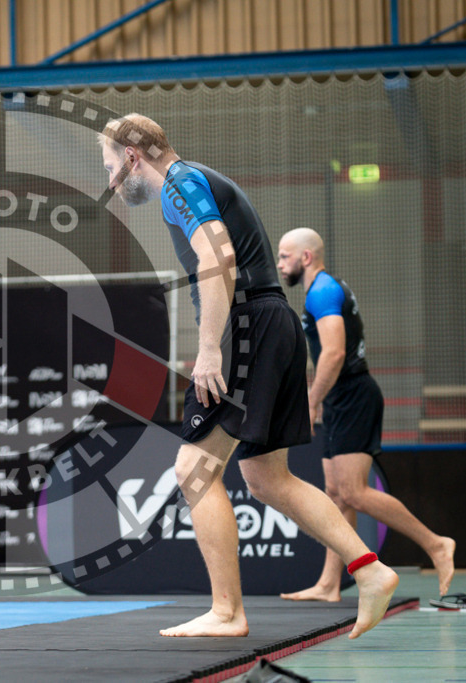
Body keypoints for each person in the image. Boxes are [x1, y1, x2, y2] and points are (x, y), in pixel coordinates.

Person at [98, 113, 398, 639]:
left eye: (109, 167)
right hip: (273, 322)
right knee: (267, 479)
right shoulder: (197, 179)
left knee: (194, 469)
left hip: (249, 325)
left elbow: (219, 258)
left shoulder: (178, 183)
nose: (110, 183)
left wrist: (211, 347)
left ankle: (226, 611)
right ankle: (370, 570)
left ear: (131, 155)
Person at [276, 227, 456, 601]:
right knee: (336, 495)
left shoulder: (323, 291)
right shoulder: (322, 289)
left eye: (285, 256)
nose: (280, 264)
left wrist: (311, 399)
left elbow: (335, 353)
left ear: (306, 257)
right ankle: (329, 584)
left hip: (354, 395)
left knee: (354, 493)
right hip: (341, 397)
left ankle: (436, 544)